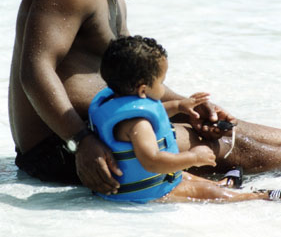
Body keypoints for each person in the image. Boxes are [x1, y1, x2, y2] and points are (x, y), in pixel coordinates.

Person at [8, 0, 281, 196]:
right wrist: (81, 141)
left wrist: (192, 108)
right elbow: (35, 71)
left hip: (102, 131)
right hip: (61, 148)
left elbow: (134, 79)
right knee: (224, 146)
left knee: (228, 129)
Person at [89, 35, 280, 203]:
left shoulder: (115, 101)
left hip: (152, 181)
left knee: (186, 177)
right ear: (142, 89)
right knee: (211, 193)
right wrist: (193, 158)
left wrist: (179, 106)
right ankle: (259, 196)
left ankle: (225, 184)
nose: (163, 87)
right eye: (161, 82)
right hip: (150, 193)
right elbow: (152, 161)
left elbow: (157, 110)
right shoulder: (139, 124)